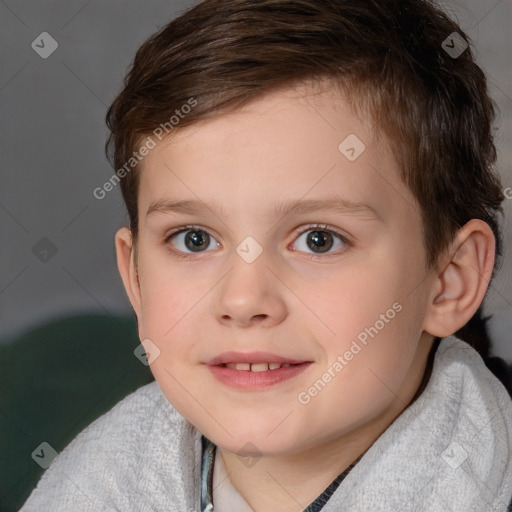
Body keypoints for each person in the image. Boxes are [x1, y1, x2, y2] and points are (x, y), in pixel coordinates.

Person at [20, 0, 512, 510]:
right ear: (137, 277)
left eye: (318, 239)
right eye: (195, 239)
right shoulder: (92, 484)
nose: (243, 299)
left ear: (449, 280)